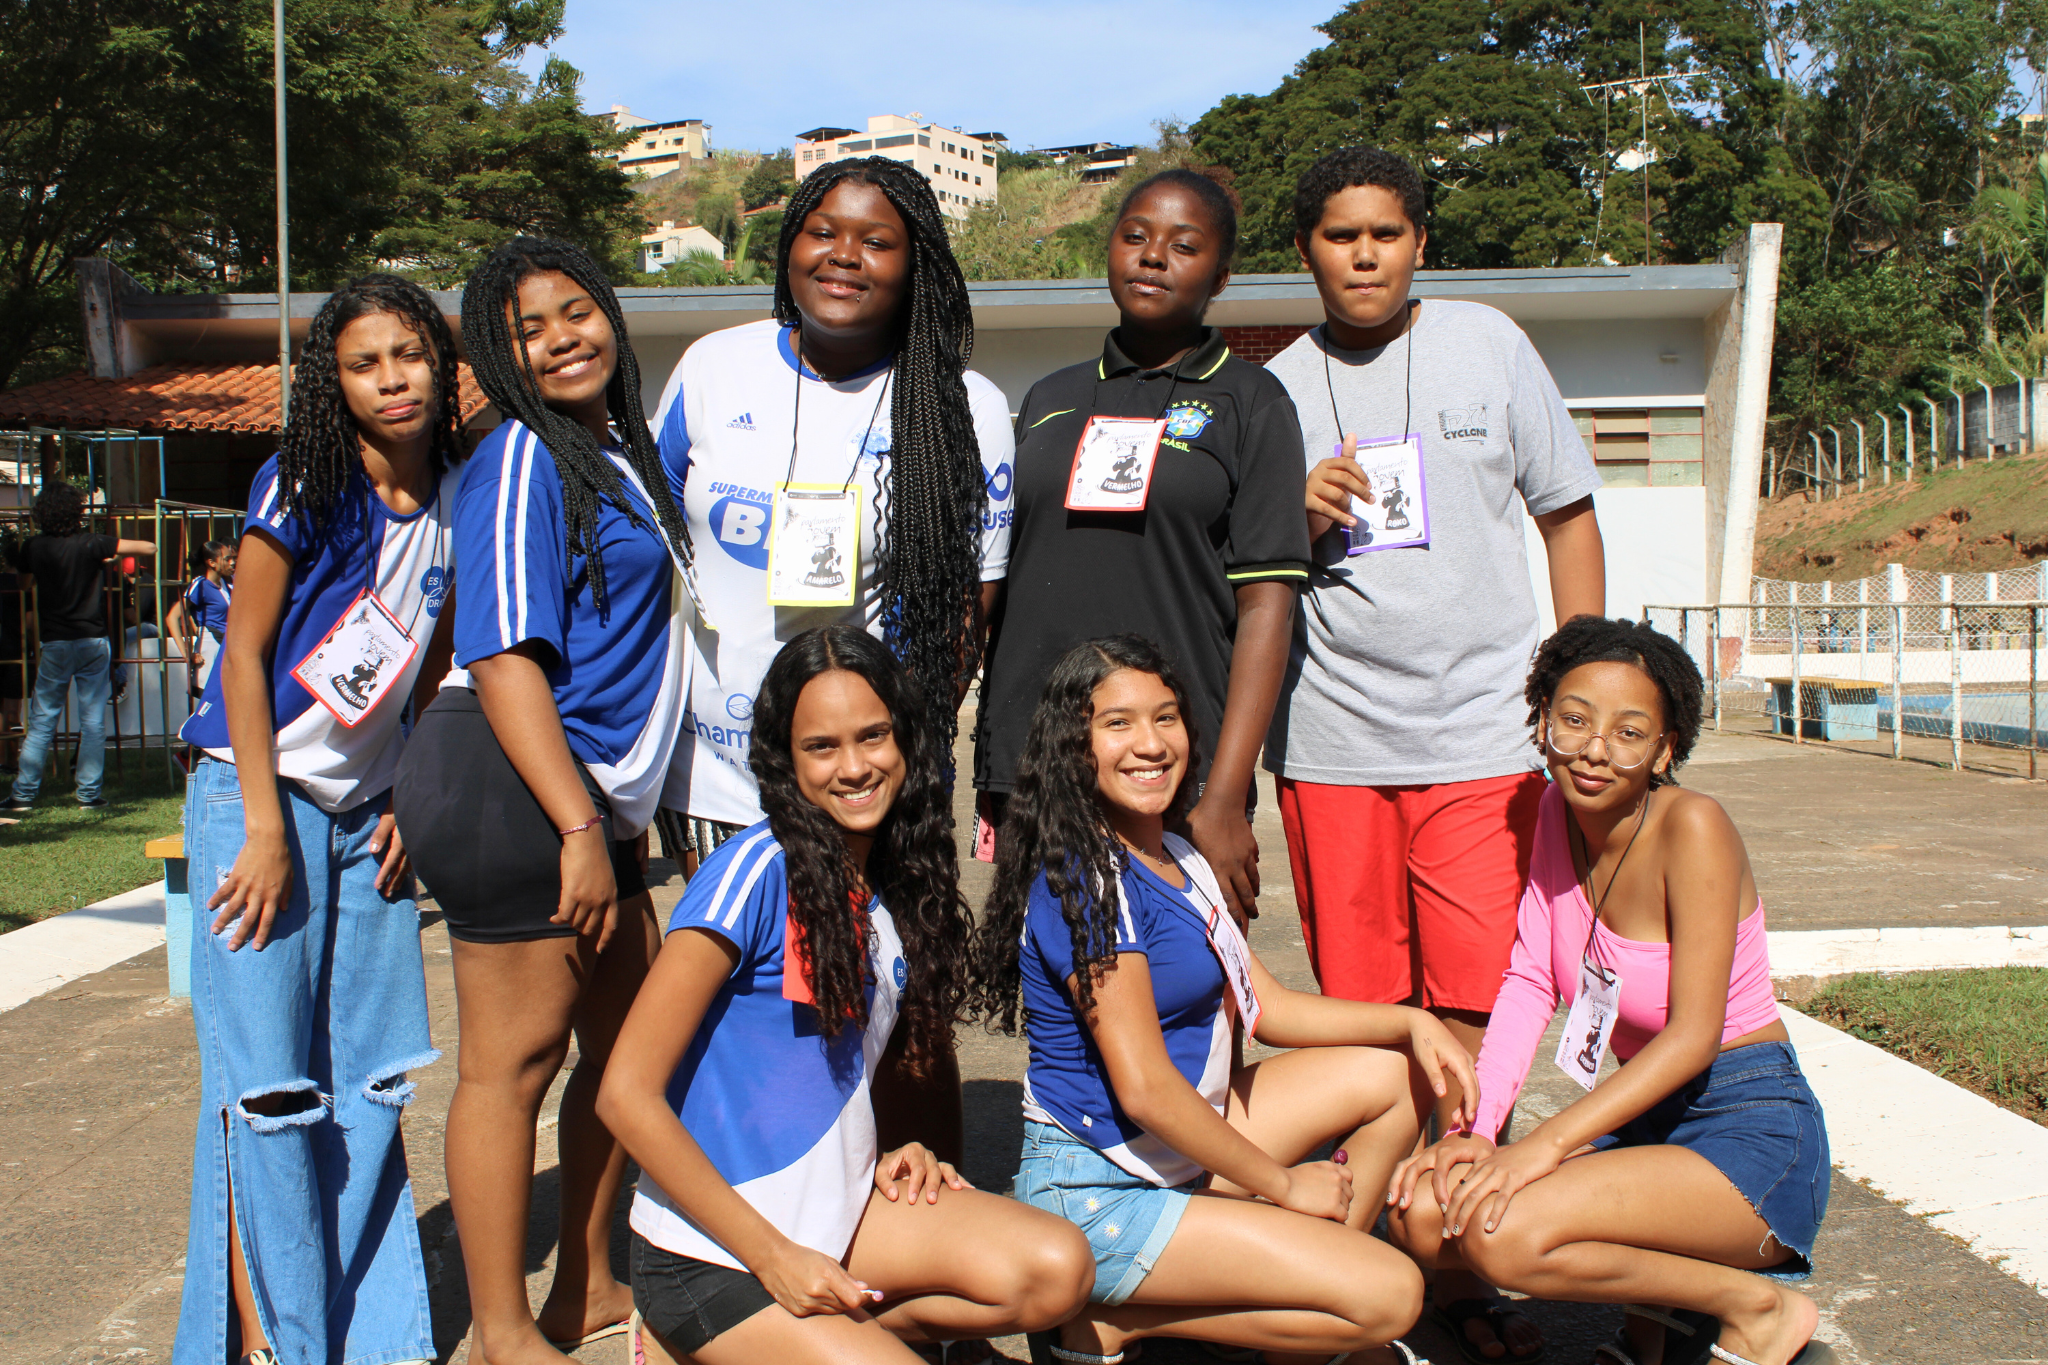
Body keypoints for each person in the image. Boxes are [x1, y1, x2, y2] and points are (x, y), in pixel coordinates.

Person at [1260, 147, 1608, 1361]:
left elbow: (1566, 513)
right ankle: (1372, 1253)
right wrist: (1290, 514)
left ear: (1418, 241)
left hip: (1481, 738)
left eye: (1385, 233)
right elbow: (1235, 569)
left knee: (1469, 1001)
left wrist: (1575, 685)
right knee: (1366, 1013)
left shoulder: (1488, 346)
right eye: (1338, 234)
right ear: (1304, 248)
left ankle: (1447, 1247)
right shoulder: (1274, 388)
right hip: (1331, 744)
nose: (1362, 255)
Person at [968, 634, 1477, 1365]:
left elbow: (1267, 1006)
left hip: (1179, 1150)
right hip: (1101, 1188)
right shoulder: (1085, 877)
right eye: (1117, 723)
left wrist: (1412, 1021)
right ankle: (1123, 1319)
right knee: (1393, 1295)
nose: (1150, 743)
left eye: (1165, 717)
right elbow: (1145, 1089)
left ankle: (1300, 1326)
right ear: (1073, 747)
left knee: (1394, 1071)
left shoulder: (1179, 855)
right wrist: (1284, 1185)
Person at [596, 624, 1093, 1364]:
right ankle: (694, 1340)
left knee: (1060, 1268)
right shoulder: (752, 872)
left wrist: (891, 1150)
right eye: (821, 746)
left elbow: (820, 1078)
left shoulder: (894, 879)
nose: (855, 766)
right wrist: (773, 1256)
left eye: (872, 736)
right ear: (784, 759)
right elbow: (624, 1094)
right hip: (715, 1255)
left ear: (905, 739)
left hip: (842, 1219)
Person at [393, 236, 695, 1365]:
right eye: (528, 329)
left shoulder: (612, 452)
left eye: (577, 311)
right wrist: (575, 825)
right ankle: (502, 1332)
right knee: (510, 1065)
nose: (563, 338)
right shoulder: (522, 454)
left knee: (624, 1050)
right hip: (519, 782)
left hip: (585, 798)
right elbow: (503, 653)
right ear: (496, 354)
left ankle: (588, 1284)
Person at [1385, 617, 1832, 1365]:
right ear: (1543, 721)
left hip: (1745, 1117)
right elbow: (1531, 978)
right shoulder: (1556, 811)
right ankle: (1666, 1316)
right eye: (1575, 720)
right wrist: (1476, 1135)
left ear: (1665, 749)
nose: (1595, 750)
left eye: (1629, 733)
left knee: (1501, 1234)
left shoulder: (1695, 825)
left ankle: (1757, 1307)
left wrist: (1544, 1146)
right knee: (1423, 1215)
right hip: (1647, 1116)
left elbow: (1694, 1035)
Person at [171, 274, 463, 1365]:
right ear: (331, 384)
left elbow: (435, 659)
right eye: (363, 363)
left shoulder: (458, 493)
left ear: (441, 364)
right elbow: (242, 655)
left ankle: (371, 1341)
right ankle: (278, 1346)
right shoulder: (302, 481)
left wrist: (407, 787)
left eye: (410, 354)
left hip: (364, 816)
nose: (392, 379)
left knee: (372, 1086)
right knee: (265, 1092)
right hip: (257, 803)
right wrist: (260, 827)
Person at [650, 155, 1013, 876]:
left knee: (872, 953)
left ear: (915, 266)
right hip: (716, 773)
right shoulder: (712, 366)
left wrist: (898, 755)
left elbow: (968, 613)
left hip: (866, 784)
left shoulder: (967, 406)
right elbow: (650, 541)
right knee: (734, 952)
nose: (844, 254)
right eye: (822, 232)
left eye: (876, 242)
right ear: (790, 245)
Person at [974, 170, 1309, 922]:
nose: (1153, 256)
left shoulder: (1252, 402)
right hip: (1037, 756)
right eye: (1135, 236)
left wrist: (1223, 794)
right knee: (1050, 981)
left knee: (1181, 982)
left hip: (1170, 769)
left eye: (1183, 246)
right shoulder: (1049, 399)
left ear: (1220, 276)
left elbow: (1268, 606)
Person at [7, 481, 155, 810]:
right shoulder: (92, 543)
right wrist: (109, 555)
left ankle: (23, 794)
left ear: (42, 513)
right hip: (92, 641)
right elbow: (150, 547)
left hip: (55, 642)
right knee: (93, 721)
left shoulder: (34, 547)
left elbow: (24, 583)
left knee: (42, 720)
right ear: (77, 511)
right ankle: (88, 794)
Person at [167, 539, 236, 696]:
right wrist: (188, 654)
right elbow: (172, 617)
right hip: (209, 651)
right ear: (212, 563)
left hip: (225, 649)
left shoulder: (226, 585)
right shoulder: (200, 585)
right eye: (227, 559)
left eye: (232, 558)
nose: (232, 563)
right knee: (208, 703)